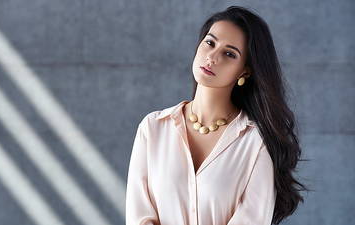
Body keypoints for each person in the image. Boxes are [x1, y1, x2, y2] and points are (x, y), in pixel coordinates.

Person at [126, 5, 308, 225]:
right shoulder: (153, 128)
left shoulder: (256, 143)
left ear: (245, 71)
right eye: (210, 43)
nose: (212, 57)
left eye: (229, 54)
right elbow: (139, 217)